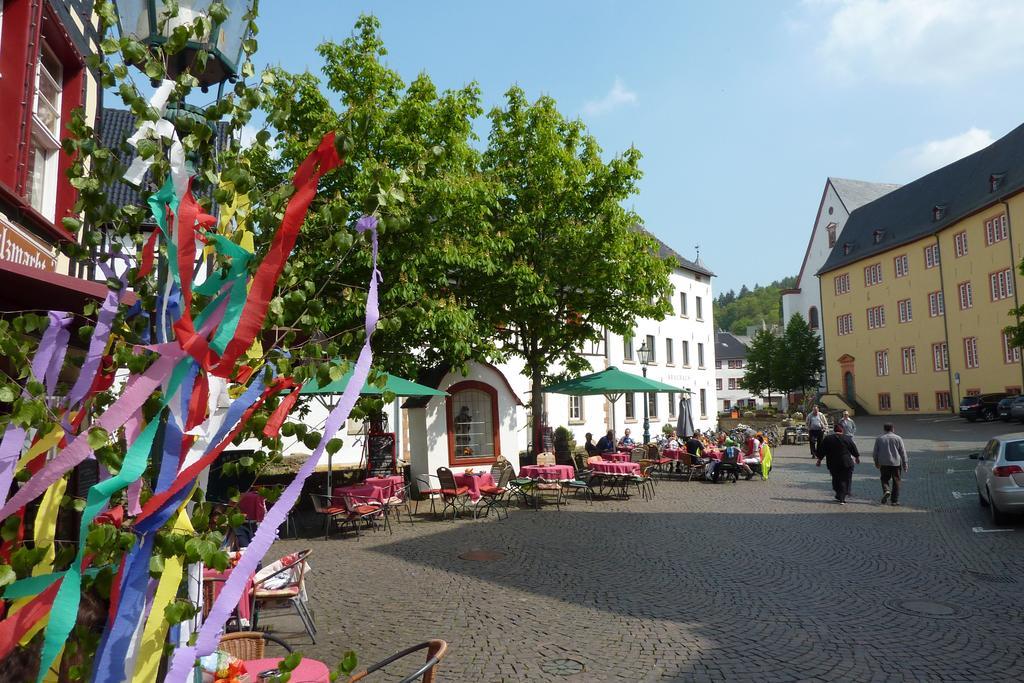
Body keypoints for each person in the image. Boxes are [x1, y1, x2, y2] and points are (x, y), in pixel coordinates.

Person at [816, 423, 860, 504]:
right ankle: (843, 495)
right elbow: (853, 448)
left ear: (834, 430)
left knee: (836, 479)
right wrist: (857, 457)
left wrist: (819, 460)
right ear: (842, 430)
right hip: (846, 462)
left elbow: (822, 450)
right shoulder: (847, 438)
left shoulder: (828, 439)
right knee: (846, 479)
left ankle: (840, 495)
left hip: (833, 463)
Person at [872, 422, 909, 506]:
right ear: (893, 429)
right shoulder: (898, 438)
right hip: (895, 463)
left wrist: (876, 462)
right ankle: (894, 500)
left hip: (883, 463)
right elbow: (903, 452)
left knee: (884, 478)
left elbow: (875, 453)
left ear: (884, 429)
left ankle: (886, 490)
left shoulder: (879, 438)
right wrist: (905, 464)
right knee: (896, 481)